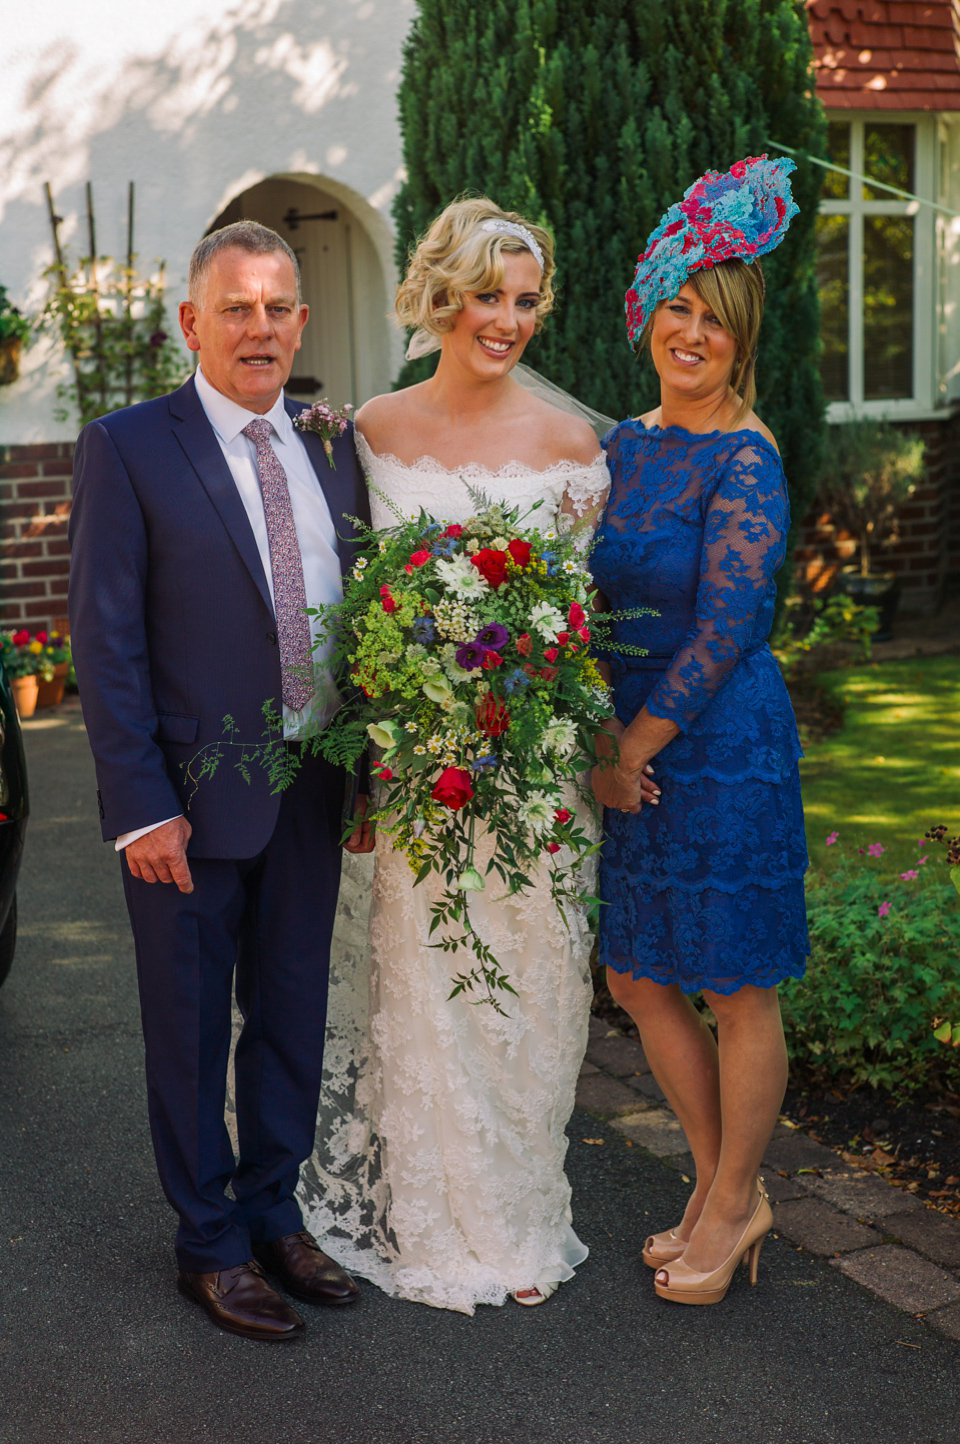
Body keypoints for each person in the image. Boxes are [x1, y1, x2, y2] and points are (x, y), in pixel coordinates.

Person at [298, 197, 655, 1314]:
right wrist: (394, 711)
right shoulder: (376, 432)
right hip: (416, 771)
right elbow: (356, 608)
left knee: (531, 983)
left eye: (525, 300)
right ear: (444, 295)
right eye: (488, 296)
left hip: (536, 775)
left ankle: (514, 1217)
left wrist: (573, 730)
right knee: (423, 987)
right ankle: (426, 1216)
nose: (506, 320)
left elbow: (577, 624)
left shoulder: (571, 448)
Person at [68, 220, 373, 1342]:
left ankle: (272, 1208)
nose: (260, 326)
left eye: (278, 306)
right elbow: (105, 642)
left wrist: (374, 770)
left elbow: (360, 621)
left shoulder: (331, 441)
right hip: (186, 804)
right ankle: (206, 1240)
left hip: (311, 782)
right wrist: (141, 801)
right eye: (235, 306)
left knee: (292, 1011)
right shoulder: (129, 445)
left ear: (301, 321)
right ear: (190, 322)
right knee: (192, 1027)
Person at [589, 157, 810, 1306]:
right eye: (678, 305)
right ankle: (724, 1182)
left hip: (715, 745)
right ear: (651, 313)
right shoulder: (618, 443)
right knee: (635, 971)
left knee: (735, 982)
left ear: (739, 339)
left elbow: (728, 624)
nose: (690, 331)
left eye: (713, 320)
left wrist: (632, 749)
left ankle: (732, 1200)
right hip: (626, 744)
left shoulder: (745, 456)